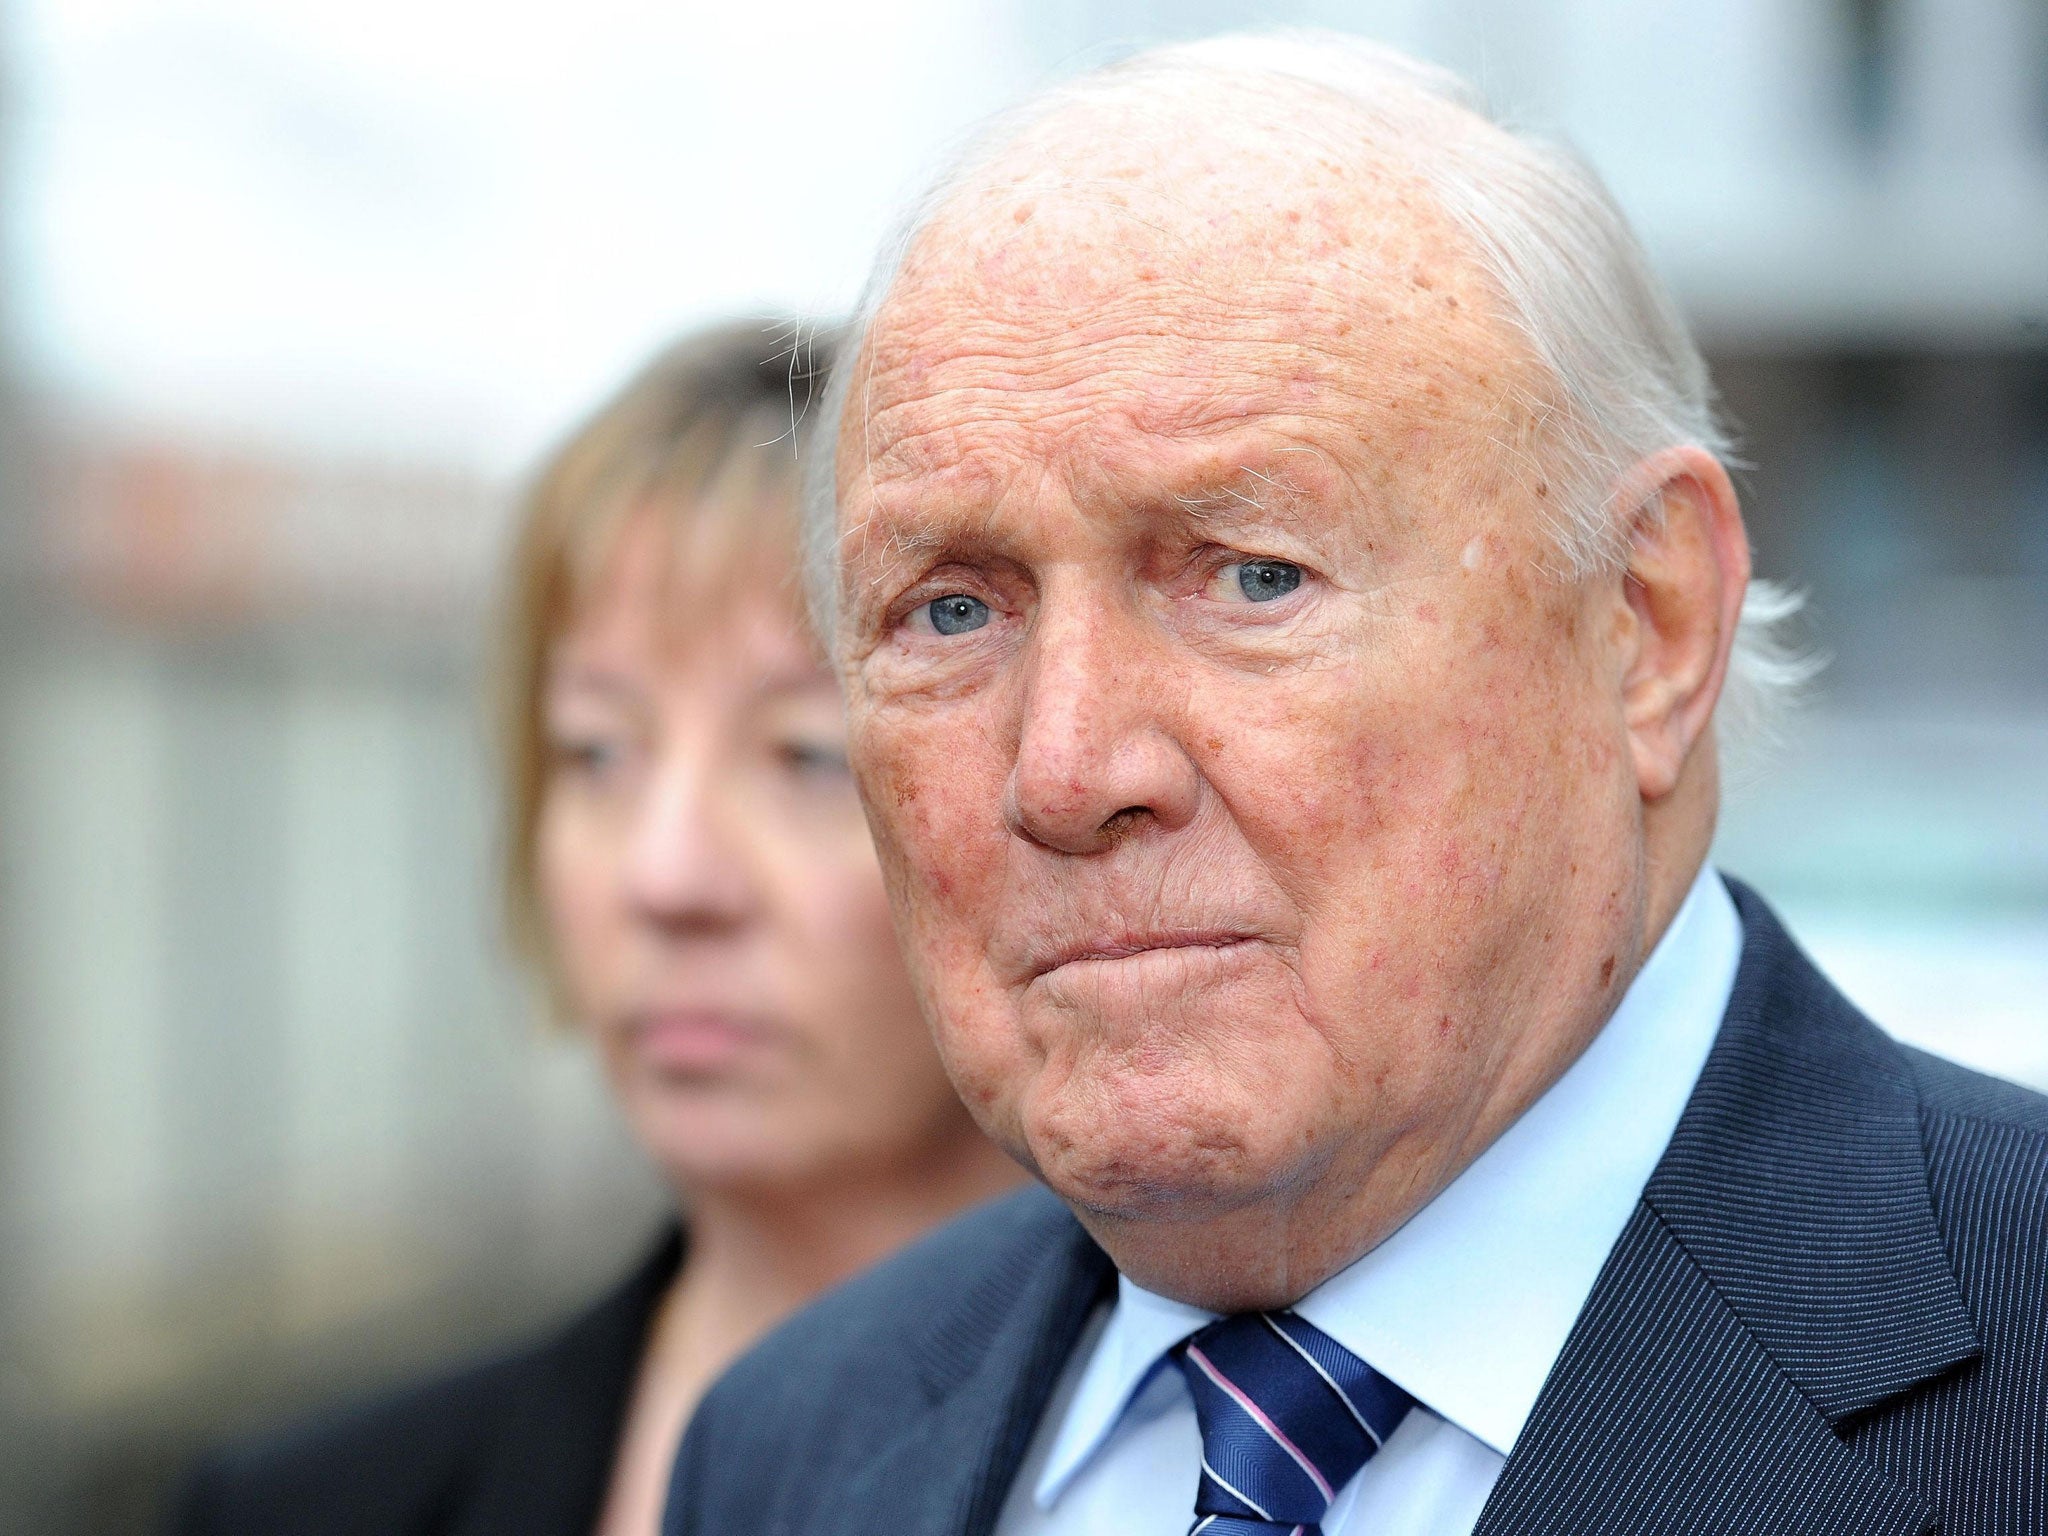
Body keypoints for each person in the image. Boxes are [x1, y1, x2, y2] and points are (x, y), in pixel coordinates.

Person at [664, 35, 2048, 1536]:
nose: (1066, 770)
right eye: (950, 612)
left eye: (1252, 577)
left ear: (1646, 626)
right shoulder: (793, 1447)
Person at [167, 322, 1024, 1536]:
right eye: (595, 751)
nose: (665, 876)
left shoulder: (1245, 1466)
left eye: (802, 755)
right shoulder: (303, 1508)